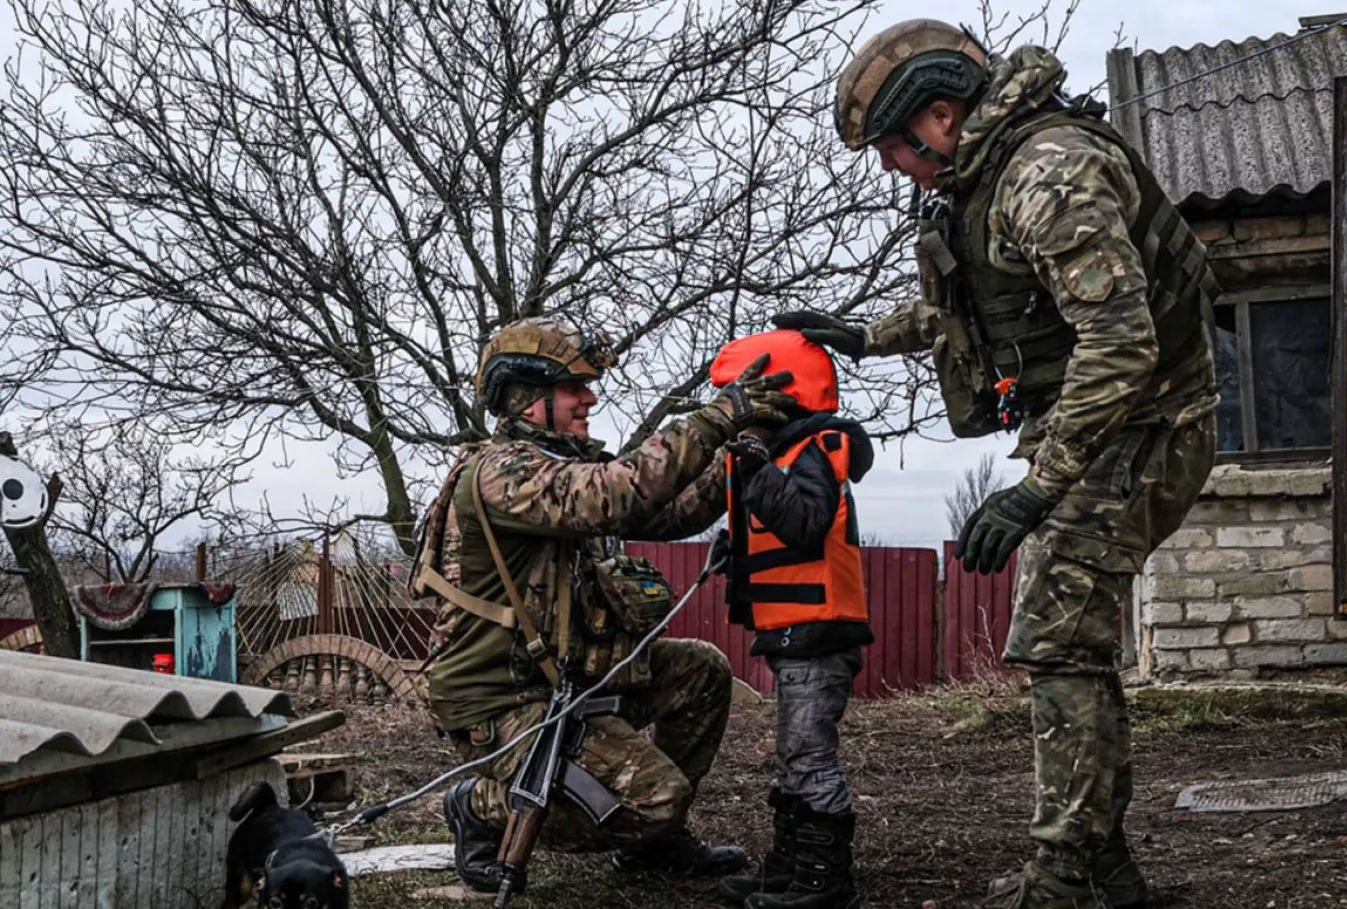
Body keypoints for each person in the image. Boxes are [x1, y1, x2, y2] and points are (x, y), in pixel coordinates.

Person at [774, 20, 1221, 909]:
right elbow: (973, 309)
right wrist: (862, 336)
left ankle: (1059, 880)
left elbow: (1122, 343)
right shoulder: (988, 181)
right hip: (1105, 423)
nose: (893, 166)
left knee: (1054, 636)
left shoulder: (1047, 174)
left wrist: (1037, 488)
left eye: (893, 147)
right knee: (1071, 643)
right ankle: (1106, 874)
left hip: (1148, 420)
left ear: (940, 117)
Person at [409, 316, 802, 894]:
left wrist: (743, 451)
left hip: (568, 678)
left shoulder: (559, 467)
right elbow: (618, 493)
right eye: (574, 387)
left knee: (699, 670)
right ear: (527, 396)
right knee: (654, 799)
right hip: (501, 699)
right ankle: (480, 805)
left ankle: (652, 846)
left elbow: (668, 513)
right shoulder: (502, 472)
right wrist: (720, 415)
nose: (589, 399)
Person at [705, 330, 874, 909]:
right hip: (794, 631)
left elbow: (805, 522)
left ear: (781, 392)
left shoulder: (814, 449)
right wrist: (736, 549)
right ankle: (789, 867)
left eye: (746, 396)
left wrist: (756, 473)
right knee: (791, 760)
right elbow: (781, 526)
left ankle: (825, 885)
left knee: (809, 759)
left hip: (819, 631)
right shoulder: (785, 456)